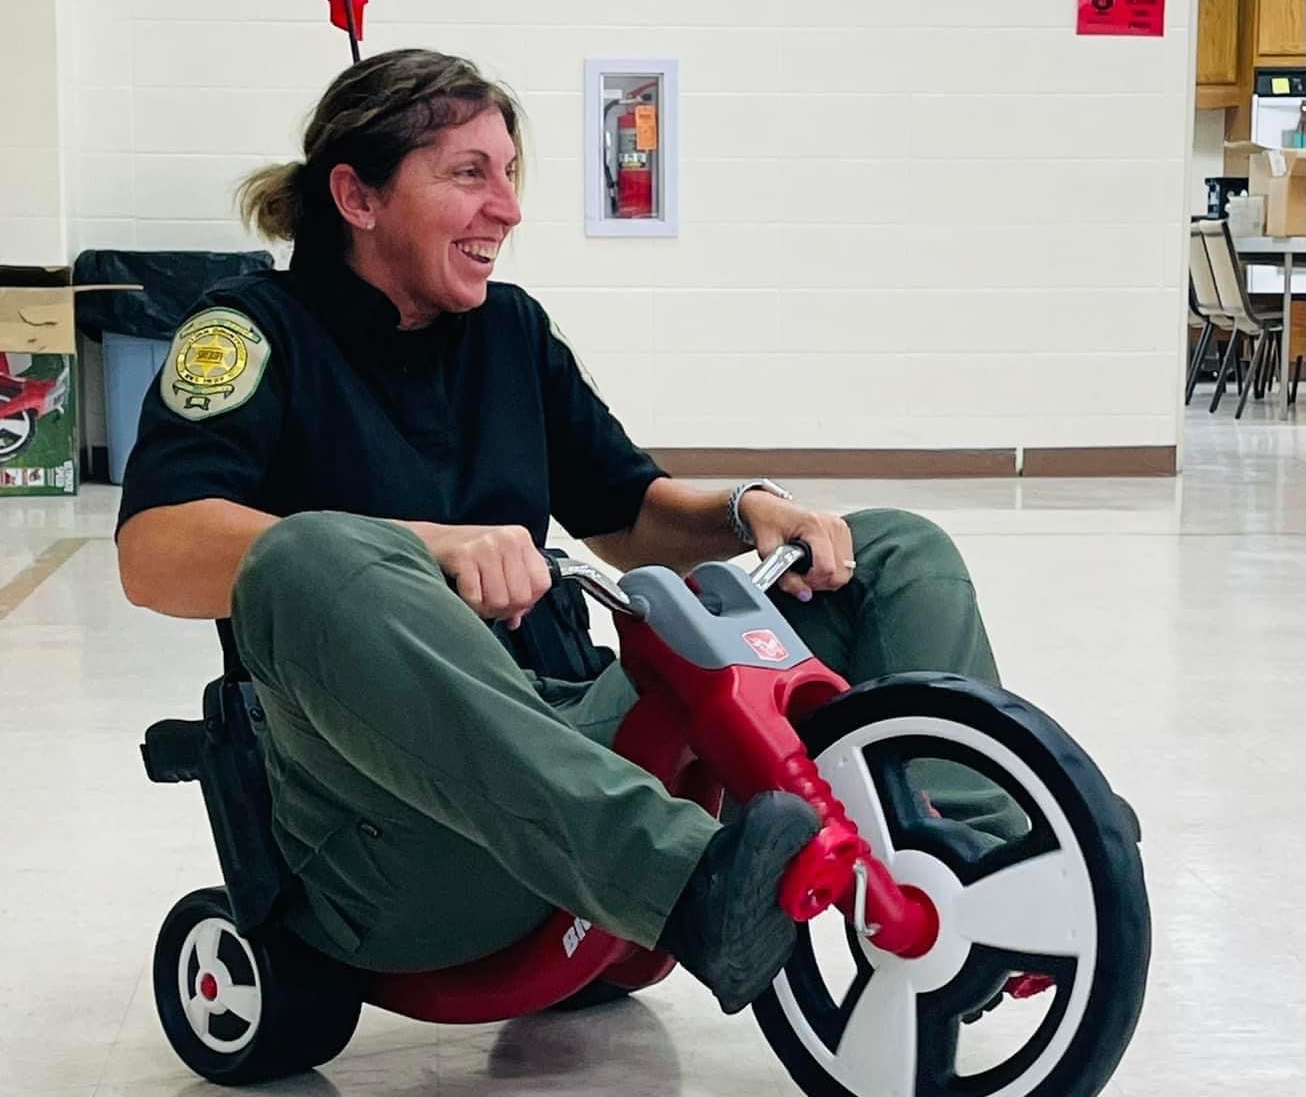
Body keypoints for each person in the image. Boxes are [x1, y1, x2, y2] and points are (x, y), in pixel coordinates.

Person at [117, 49, 1008, 1016]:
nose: (507, 207)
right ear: (357, 197)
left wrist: (749, 510)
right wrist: (424, 544)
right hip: (391, 832)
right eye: (468, 174)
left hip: (565, 755)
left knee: (884, 550)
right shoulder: (249, 333)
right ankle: (686, 886)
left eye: (508, 174)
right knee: (311, 552)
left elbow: (628, 514)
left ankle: (987, 870)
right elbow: (154, 550)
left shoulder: (509, 332)